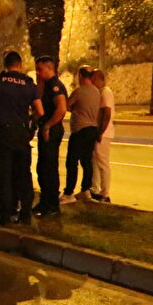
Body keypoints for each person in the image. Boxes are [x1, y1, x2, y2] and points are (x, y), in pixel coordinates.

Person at [0, 51, 43, 225]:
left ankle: (5, 215)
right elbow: (40, 111)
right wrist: (30, 123)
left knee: (4, 175)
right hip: (22, 134)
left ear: (5, 65)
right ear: (20, 64)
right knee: (24, 175)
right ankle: (25, 214)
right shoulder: (29, 83)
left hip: (3, 134)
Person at [34, 56, 68, 215]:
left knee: (49, 167)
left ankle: (52, 205)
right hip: (47, 129)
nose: (38, 73)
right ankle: (45, 202)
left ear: (49, 68)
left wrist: (47, 126)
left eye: (40, 69)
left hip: (51, 130)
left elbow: (62, 109)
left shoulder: (55, 86)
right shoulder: (47, 86)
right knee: (42, 167)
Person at [61, 67, 100, 204]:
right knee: (86, 161)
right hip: (92, 129)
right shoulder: (97, 92)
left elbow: (66, 105)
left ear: (81, 76)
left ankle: (68, 193)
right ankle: (85, 189)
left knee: (72, 162)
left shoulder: (79, 91)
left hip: (80, 130)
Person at [90, 69, 115, 203]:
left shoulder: (106, 92)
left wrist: (100, 132)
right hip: (100, 132)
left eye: (94, 80)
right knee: (95, 161)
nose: (92, 82)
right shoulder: (101, 92)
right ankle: (95, 189)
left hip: (103, 133)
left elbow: (107, 113)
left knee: (103, 163)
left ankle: (105, 193)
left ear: (99, 79)